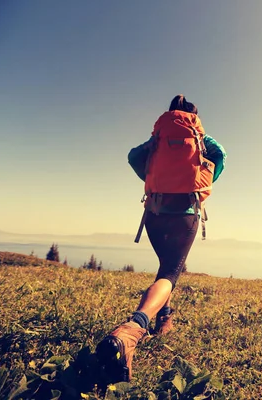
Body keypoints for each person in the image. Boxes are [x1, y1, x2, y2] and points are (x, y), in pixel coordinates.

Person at [96, 95, 227, 384]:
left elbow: (133, 156)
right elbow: (222, 157)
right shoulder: (202, 138)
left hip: (154, 212)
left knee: (166, 267)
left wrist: (153, 179)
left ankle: (164, 316)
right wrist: (203, 180)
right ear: (195, 115)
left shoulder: (157, 137)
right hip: (186, 212)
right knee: (170, 272)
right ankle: (132, 330)